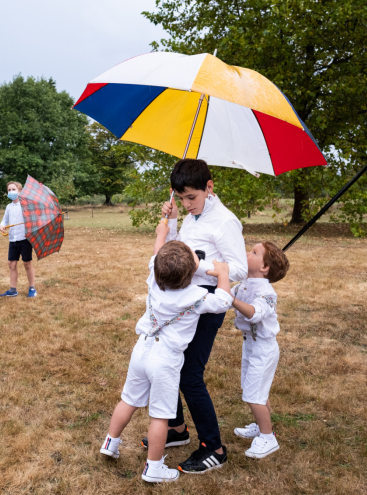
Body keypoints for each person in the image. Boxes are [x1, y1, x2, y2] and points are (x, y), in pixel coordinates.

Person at [99, 220, 232, 483]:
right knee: (161, 415)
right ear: (193, 272)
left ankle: (110, 443)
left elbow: (156, 253)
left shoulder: (153, 277)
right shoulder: (194, 294)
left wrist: (163, 231)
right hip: (166, 359)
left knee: (128, 400)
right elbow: (223, 301)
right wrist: (223, 273)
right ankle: (154, 468)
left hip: (142, 349)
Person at [142, 158, 248, 473]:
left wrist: (197, 266)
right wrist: (173, 223)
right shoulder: (192, 215)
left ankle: (213, 447)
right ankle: (175, 428)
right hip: (184, 300)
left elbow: (238, 268)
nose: (187, 203)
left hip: (207, 305)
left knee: (189, 374)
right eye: (182, 197)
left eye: (192, 197)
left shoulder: (225, 222)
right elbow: (181, 249)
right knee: (168, 359)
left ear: (209, 188)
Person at [231, 242, 290, 459]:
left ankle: (268, 437)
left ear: (264, 267)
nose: (247, 252)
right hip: (250, 344)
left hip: (264, 349)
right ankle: (261, 424)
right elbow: (225, 296)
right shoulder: (244, 284)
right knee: (255, 390)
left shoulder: (267, 292)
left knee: (253, 395)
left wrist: (232, 299)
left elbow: (254, 313)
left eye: (254, 252)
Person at [0, 181, 36, 298]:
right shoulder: (9, 207)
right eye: (9, 190)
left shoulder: (26, 206)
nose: (11, 192)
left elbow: (33, 219)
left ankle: (32, 288)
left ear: (20, 191)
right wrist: (2, 225)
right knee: (12, 264)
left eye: (13, 189)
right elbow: (5, 220)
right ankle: (13, 290)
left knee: (27, 264)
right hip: (13, 240)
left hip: (24, 239)